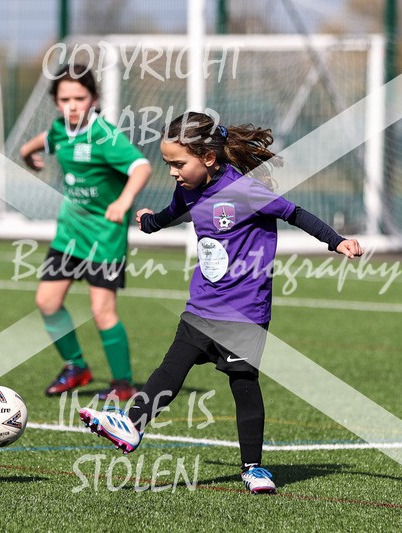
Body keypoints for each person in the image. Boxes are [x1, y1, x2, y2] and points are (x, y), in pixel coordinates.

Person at [79, 111, 363, 494]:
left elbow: (295, 213)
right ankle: (131, 427)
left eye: (178, 163)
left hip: (245, 312)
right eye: (168, 164)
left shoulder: (245, 191)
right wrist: (150, 223)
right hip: (203, 305)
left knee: (244, 384)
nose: (172, 172)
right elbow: (174, 211)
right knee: (171, 368)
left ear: (208, 158)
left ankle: (254, 468)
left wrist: (336, 240)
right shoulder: (189, 189)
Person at [20, 64, 152, 401]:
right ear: (56, 101)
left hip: (104, 236)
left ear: (94, 99)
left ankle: (123, 384)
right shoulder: (59, 130)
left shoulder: (104, 135)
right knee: (47, 302)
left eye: (80, 97)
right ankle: (76, 367)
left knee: (102, 310)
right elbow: (38, 143)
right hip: (69, 234)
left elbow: (141, 166)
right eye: (65, 99)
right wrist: (27, 155)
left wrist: (124, 201)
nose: (73, 105)